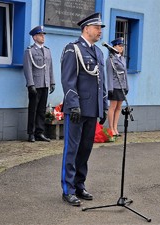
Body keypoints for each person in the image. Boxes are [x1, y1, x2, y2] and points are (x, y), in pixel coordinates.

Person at [60, 13, 108, 206]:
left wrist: (103, 107)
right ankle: (68, 189)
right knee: (72, 149)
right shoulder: (73, 50)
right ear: (86, 28)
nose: (100, 31)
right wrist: (73, 105)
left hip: (92, 109)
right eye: (97, 27)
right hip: (77, 109)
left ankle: (80, 185)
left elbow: (101, 83)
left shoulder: (98, 52)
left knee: (85, 149)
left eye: (100, 28)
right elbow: (68, 80)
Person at [23, 26, 55, 142]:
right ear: (35, 37)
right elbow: (28, 69)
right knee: (33, 109)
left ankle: (39, 132)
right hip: (35, 84)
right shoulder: (30, 51)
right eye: (41, 35)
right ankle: (31, 133)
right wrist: (30, 84)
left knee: (42, 110)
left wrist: (52, 82)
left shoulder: (47, 50)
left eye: (43, 35)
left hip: (45, 83)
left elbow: (50, 68)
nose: (43, 37)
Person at [106, 37, 129, 137]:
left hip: (122, 86)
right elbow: (109, 74)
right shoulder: (110, 59)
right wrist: (110, 88)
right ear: (114, 47)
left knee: (119, 108)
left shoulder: (122, 58)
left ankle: (115, 127)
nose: (121, 48)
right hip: (115, 86)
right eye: (119, 46)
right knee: (113, 107)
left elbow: (125, 73)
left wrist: (127, 86)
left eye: (122, 46)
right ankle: (111, 128)